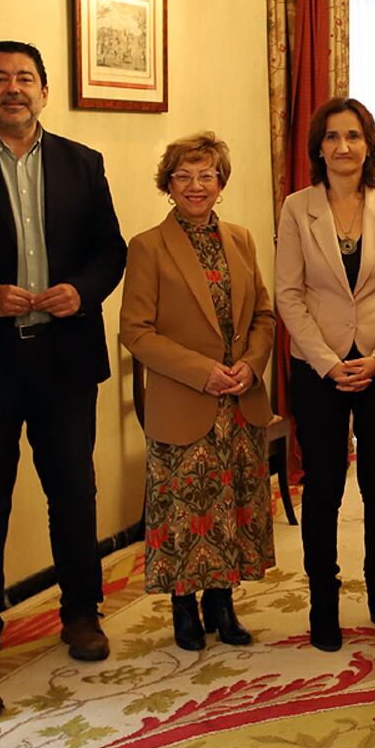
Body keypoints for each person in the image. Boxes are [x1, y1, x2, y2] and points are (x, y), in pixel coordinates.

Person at [0, 41, 127, 675]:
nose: (13, 89)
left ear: (45, 91)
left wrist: (81, 291)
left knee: (74, 494)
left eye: (25, 78)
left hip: (66, 357)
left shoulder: (84, 163)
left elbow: (111, 251)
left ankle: (82, 612)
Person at [275, 97, 375, 651]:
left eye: (353, 136)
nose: (343, 147)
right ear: (319, 148)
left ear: (370, 144)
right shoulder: (297, 208)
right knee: (325, 487)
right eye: (332, 137)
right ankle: (323, 605)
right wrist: (330, 363)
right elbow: (288, 294)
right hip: (318, 368)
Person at [120, 133, 276, 650]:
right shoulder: (147, 246)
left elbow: (263, 316)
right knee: (185, 511)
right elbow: (135, 332)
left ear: (220, 183)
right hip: (187, 399)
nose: (195, 186)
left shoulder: (242, 238)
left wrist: (251, 366)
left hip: (240, 400)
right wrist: (202, 371)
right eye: (184, 176)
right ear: (168, 183)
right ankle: (184, 608)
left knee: (229, 505)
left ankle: (222, 603)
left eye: (206, 175)